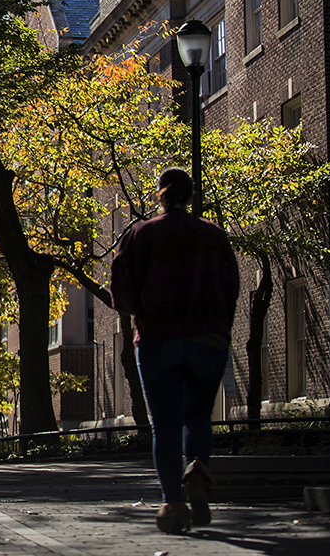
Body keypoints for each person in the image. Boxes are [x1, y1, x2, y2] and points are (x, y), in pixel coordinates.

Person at [111, 167, 239, 534]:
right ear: (191, 197)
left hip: (157, 340)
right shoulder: (213, 234)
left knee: (165, 425)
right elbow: (231, 283)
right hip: (208, 339)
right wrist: (218, 325)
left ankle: (172, 503)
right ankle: (197, 474)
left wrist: (140, 311)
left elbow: (122, 289)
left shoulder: (140, 234)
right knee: (198, 416)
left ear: (160, 196)